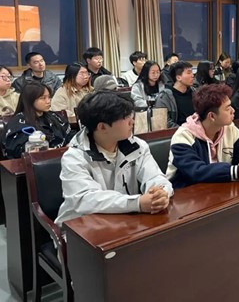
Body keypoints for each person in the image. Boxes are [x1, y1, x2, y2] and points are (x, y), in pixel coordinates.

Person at [55, 91, 173, 226]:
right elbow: (86, 200)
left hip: (123, 221)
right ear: (102, 127)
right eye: (126, 117)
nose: (132, 122)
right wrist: (137, 203)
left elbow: (155, 177)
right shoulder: (74, 158)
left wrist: (161, 193)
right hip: (81, 227)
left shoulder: (137, 146)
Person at [166, 84, 239, 188]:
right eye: (227, 108)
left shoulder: (229, 128)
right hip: (185, 193)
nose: (233, 110)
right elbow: (197, 172)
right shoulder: (183, 137)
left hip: (219, 190)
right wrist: (238, 171)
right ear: (212, 116)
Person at [3, 82, 73, 159]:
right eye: (43, 98)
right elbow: (16, 150)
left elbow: (69, 135)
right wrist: (43, 151)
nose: (48, 101)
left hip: (63, 158)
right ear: (30, 99)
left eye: (49, 97)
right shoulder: (19, 122)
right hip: (36, 162)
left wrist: (70, 144)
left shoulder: (54, 116)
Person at [155, 61, 196, 127]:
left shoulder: (195, 93)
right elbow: (164, 122)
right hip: (176, 132)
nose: (192, 75)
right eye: (189, 73)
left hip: (197, 130)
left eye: (192, 72)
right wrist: (184, 130)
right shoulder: (164, 97)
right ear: (178, 77)